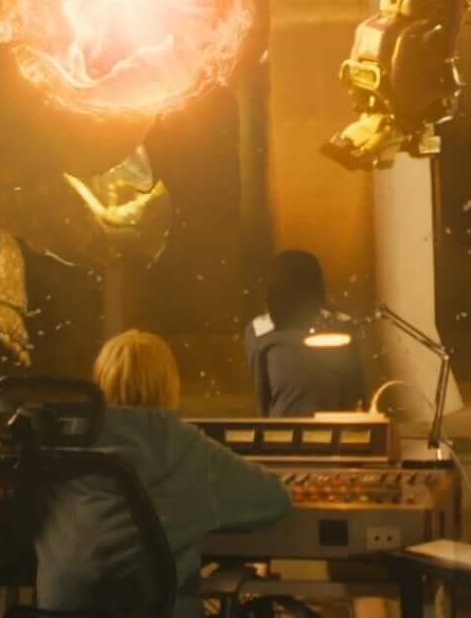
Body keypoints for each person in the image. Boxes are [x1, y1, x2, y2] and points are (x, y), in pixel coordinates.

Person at [35, 331, 292, 617]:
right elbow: (275, 499)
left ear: (100, 382)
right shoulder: (189, 447)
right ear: (170, 383)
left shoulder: (64, 442)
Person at [242, 249, 366, 417]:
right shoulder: (341, 325)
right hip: (327, 427)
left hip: (288, 428)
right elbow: (355, 393)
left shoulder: (259, 331)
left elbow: (262, 401)